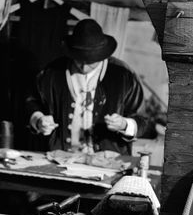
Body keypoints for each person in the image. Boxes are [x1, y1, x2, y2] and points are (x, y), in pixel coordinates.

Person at [26, 19, 149, 155]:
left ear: (102, 55)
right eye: (79, 60)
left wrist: (124, 124)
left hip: (108, 162)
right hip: (60, 158)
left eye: (91, 62)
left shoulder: (123, 76)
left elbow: (142, 121)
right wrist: (38, 120)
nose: (84, 67)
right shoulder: (52, 73)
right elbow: (32, 103)